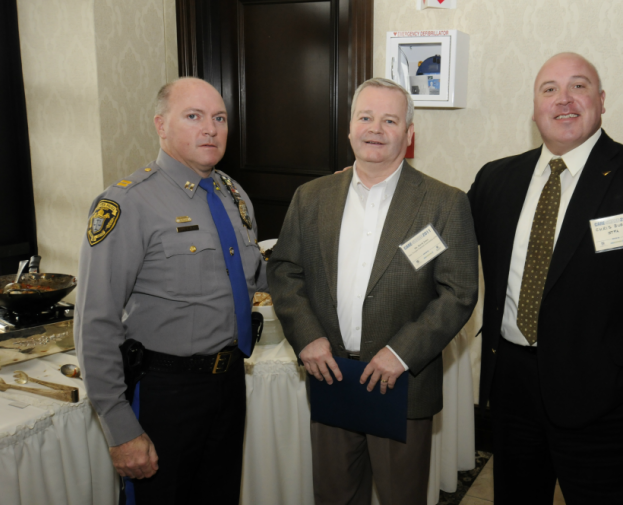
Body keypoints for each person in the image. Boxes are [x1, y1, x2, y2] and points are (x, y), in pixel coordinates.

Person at [468, 53, 623, 504]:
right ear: (535, 109)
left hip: (608, 398)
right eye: (549, 89)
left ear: (601, 101)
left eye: (578, 86)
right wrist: (374, 178)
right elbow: (445, 233)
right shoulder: (497, 179)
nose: (564, 99)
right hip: (513, 389)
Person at [267, 77, 478, 505]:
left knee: (402, 497)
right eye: (365, 117)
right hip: (331, 376)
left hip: (402, 384)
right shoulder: (310, 197)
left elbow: (459, 292)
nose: (375, 129)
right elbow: (285, 270)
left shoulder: (444, 202)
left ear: (409, 133)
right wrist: (306, 337)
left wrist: (401, 353)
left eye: (390, 120)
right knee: (335, 496)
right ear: (349, 128)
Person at [74, 77, 266, 505]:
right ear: (161, 125)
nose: (211, 129)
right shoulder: (128, 203)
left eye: (219, 118)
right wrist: (120, 427)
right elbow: (94, 321)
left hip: (229, 382)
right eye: (194, 116)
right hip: (164, 391)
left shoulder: (234, 195)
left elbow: (254, 277)